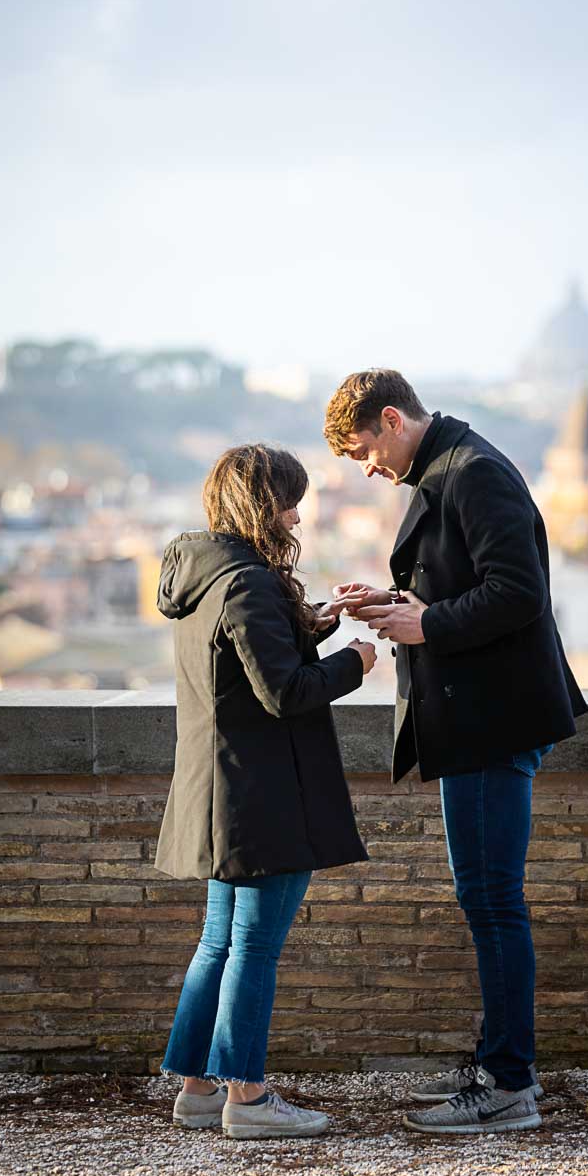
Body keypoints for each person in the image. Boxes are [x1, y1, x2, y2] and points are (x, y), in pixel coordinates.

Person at [324, 369, 588, 1134]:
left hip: (489, 722)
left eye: (363, 451)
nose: (368, 469)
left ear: (393, 419)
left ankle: (508, 1084)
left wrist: (427, 627)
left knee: (492, 903)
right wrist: (396, 604)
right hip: (479, 717)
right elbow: (463, 583)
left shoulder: (473, 473)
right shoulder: (451, 467)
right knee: (490, 901)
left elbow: (519, 593)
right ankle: (500, 1063)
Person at [154, 444, 376, 1140]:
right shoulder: (247, 584)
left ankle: (196, 1090)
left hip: (223, 792)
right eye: (289, 499)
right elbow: (284, 692)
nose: (297, 514)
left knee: (219, 944)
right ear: (262, 504)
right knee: (251, 948)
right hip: (264, 798)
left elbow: (252, 662)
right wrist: (356, 661)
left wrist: (321, 620)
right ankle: (247, 1099)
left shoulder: (210, 577)